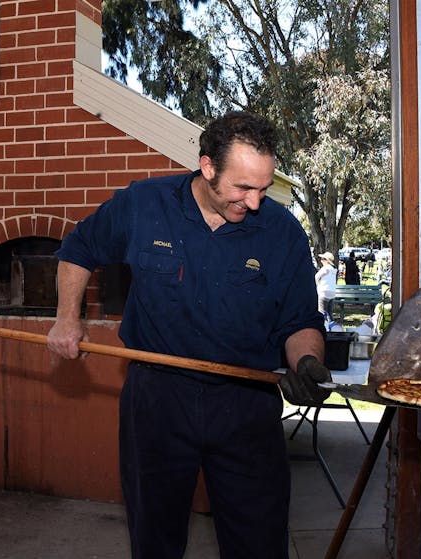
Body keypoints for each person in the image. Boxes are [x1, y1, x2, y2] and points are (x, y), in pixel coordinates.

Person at [47, 111, 332, 559]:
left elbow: (299, 321)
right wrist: (67, 317)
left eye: (264, 187)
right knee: (155, 540)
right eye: (242, 188)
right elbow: (79, 247)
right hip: (157, 398)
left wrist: (306, 363)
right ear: (207, 167)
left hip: (246, 402)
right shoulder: (145, 204)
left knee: (259, 542)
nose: (254, 202)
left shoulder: (282, 233)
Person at [315, 251, 337, 319]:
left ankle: (323, 327)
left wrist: (318, 284)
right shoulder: (333, 269)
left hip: (324, 292)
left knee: (322, 311)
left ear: (327, 260)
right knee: (330, 312)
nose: (321, 260)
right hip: (332, 292)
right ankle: (332, 327)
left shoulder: (325, 268)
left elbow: (316, 277)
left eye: (323, 259)